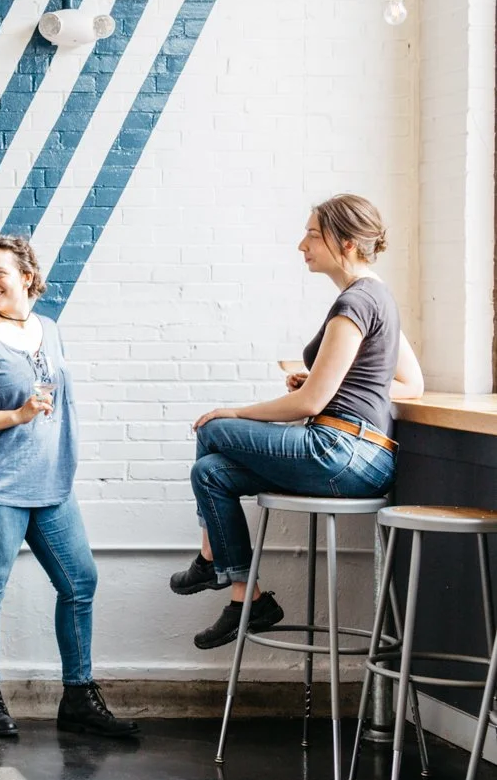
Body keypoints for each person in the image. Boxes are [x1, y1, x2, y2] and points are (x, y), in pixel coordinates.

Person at [175, 196, 424, 650]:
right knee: (208, 473)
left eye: (312, 234)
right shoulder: (377, 295)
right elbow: (411, 383)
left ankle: (211, 557)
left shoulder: (354, 302)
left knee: (212, 429)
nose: (301, 245)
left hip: (342, 451)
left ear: (345, 242)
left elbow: (308, 405)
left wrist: (237, 410)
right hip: (363, 456)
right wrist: (332, 381)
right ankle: (245, 598)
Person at [0, 235, 139, 741]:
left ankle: (78, 698)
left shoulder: (49, 330)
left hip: (51, 486)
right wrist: (16, 414)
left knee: (80, 584)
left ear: (27, 276)